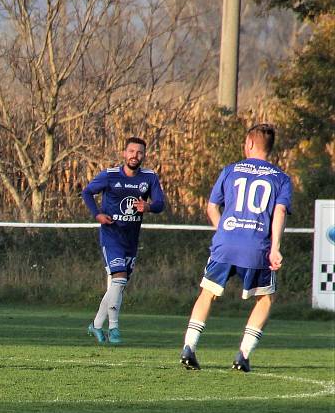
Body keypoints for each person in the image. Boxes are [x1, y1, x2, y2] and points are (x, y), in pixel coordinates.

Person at [180, 124, 292, 373]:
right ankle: (242, 355)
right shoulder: (281, 178)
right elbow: (280, 211)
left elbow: (211, 207)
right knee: (265, 299)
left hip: (225, 245)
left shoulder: (230, 170)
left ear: (250, 143)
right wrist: (275, 248)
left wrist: (225, 233)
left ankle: (189, 347)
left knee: (207, 293)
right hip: (257, 248)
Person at [81, 136, 165, 344]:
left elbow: (160, 203)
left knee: (118, 285)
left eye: (139, 152)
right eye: (131, 151)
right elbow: (87, 192)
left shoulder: (149, 178)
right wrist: (97, 214)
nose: (135, 156)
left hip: (131, 239)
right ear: (124, 153)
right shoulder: (109, 176)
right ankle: (115, 328)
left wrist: (149, 207)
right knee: (118, 278)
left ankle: (96, 325)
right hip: (111, 236)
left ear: (144, 155)